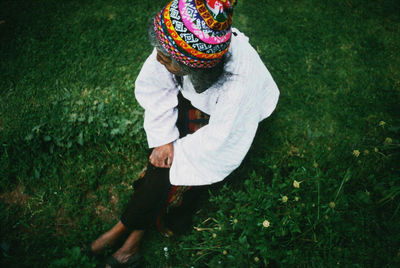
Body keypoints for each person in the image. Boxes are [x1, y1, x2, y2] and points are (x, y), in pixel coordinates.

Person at [87, 0, 279, 267]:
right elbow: (156, 88)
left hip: (228, 121)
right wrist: (164, 140)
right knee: (164, 158)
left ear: (196, 67)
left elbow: (222, 141)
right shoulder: (175, 45)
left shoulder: (238, 86)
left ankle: (126, 231)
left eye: (166, 59)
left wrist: (175, 150)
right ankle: (129, 241)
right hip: (198, 101)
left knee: (173, 168)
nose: (157, 59)